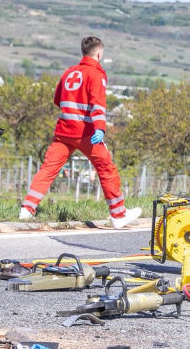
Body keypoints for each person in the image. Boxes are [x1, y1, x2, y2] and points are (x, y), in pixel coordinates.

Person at [19, 37, 140, 228]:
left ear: (83, 52)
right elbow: (98, 106)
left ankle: (26, 210)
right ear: (99, 53)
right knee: (106, 168)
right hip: (86, 133)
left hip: (64, 131)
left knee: (48, 169)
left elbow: (58, 99)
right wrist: (100, 129)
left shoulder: (69, 72)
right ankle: (118, 215)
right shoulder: (96, 74)